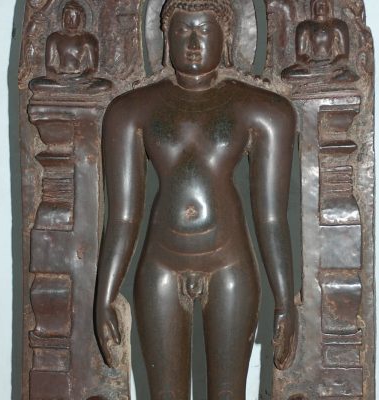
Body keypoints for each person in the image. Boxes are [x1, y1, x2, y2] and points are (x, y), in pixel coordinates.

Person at [95, 0, 297, 398]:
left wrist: (285, 301)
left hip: (229, 263)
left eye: (204, 30)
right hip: (161, 263)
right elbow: (122, 217)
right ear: (164, 38)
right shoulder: (131, 111)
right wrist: (104, 295)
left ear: (227, 38)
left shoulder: (263, 111)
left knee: (228, 393)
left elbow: (272, 218)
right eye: (181, 30)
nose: (192, 43)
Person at [30, 0, 110, 91]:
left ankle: (71, 89)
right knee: (34, 84)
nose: (70, 20)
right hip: (60, 78)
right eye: (67, 17)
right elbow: (50, 66)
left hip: (81, 79)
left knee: (105, 85)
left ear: (81, 19)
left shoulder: (89, 39)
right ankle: (73, 90)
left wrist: (79, 78)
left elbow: (92, 68)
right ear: (62, 18)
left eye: (74, 17)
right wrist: (58, 77)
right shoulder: (53, 38)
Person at [282, 0, 358, 82]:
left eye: (323, 4)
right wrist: (310, 62)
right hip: (312, 66)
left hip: (332, 66)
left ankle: (319, 79)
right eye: (318, 4)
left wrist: (331, 65)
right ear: (312, 7)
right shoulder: (304, 26)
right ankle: (327, 79)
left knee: (350, 75)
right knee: (286, 75)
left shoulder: (339, 25)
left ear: (329, 6)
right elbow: (300, 56)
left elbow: (344, 56)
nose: (321, 8)